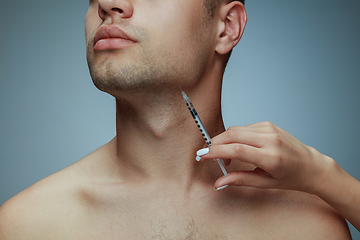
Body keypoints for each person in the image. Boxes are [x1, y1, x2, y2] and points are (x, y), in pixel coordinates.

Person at [0, 0, 354, 238]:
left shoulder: (310, 224)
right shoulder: (27, 225)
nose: (108, 5)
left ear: (226, 26)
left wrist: (327, 177)